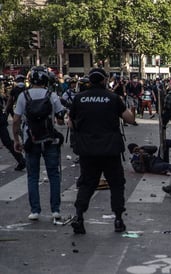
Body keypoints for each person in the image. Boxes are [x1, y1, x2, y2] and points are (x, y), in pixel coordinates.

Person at [68, 68, 135, 234]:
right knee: (116, 184)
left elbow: (70, 123)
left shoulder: (79, 99)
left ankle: (79, 216)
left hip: (87, 149)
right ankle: (118, 219)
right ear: (105, 80)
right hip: (110, 149)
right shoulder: (113, 98)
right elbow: (129, 119)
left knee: (87, 183)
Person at [12, 66, 65, 220]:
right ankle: (55, 209)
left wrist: (16, 139)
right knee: (54, 175)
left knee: (32, 176)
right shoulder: (52, 95)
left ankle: (35, 210)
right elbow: (60, 121)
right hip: (49, 140)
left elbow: (16, 120)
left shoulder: (23, 96)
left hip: (30, 140)